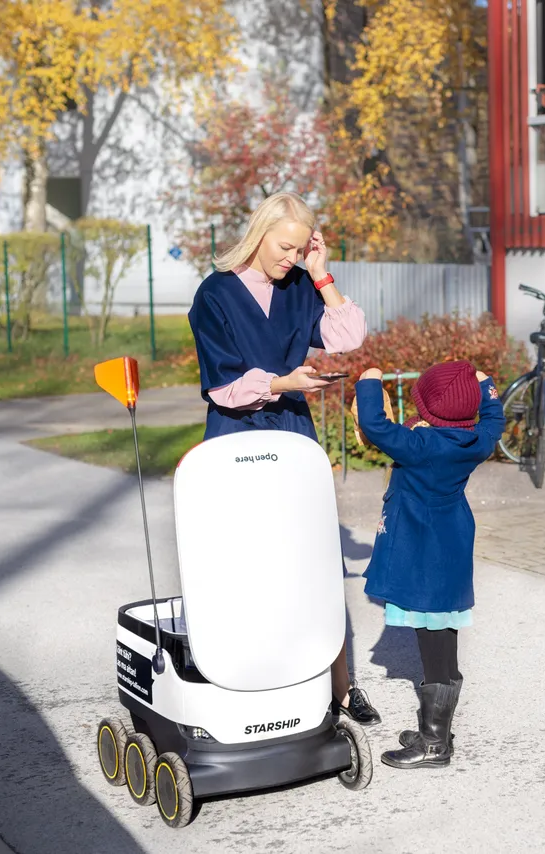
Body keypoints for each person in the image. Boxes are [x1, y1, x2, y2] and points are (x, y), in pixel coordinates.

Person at [187, 191, 379, 726]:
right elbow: (221, 386)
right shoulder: (215, 296)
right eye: (285, 247)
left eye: (301, 249)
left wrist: (321, 273)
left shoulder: (299, 286)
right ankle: (245, 680)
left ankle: (341, 687)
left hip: (293, 430)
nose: (290, 258)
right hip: (235, 434)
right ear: (259, 234)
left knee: (316, 559)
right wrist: (281, 382)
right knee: (246, 561)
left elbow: (349, 335)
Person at [352, 360, 505, 769]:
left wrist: (369, 384)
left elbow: (376, 425)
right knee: (442, 634)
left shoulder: (420, 446)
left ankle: (435, 744)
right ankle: (434, 727)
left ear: (426, 407)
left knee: (434, 642)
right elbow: (495, 417)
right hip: (450, 547)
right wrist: (485, 382)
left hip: (423, 555)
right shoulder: (475, 441)